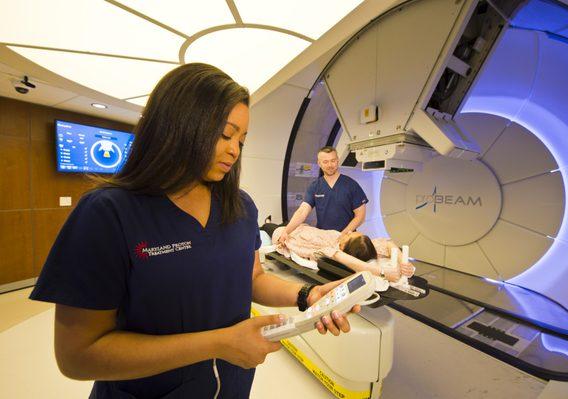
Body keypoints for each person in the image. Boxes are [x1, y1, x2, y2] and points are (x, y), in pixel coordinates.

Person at [29, 63, 359, 399]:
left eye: (242, 140)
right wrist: (218, 344)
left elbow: (251, 278)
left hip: (230, 386)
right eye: (225, 134)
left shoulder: (240, 206)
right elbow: (78, 355)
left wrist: (306, 296)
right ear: (179, 125)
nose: (235, 150)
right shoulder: (108, 213)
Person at [277, 146, 368, 243]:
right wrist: (286, 231)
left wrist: (342, 235)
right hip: (323, 238)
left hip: (347, 238)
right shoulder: (315, 186)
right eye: (325, 162)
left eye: (333, 160)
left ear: (337, 160)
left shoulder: (351, 185)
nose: (330, 165)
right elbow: (302, 211)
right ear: (319, 163)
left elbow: (360, 216)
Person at [272, 224, 415, 282]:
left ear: (342, 246)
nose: (349, 231)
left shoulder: (328, 250)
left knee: (268, 227)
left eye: (349, 236)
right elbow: (387, 243)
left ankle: (268, 223)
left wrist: (382, 272)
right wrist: (404, 261)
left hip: (284, 233)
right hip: (297, 227)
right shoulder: (364, 246)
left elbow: (339, 256)